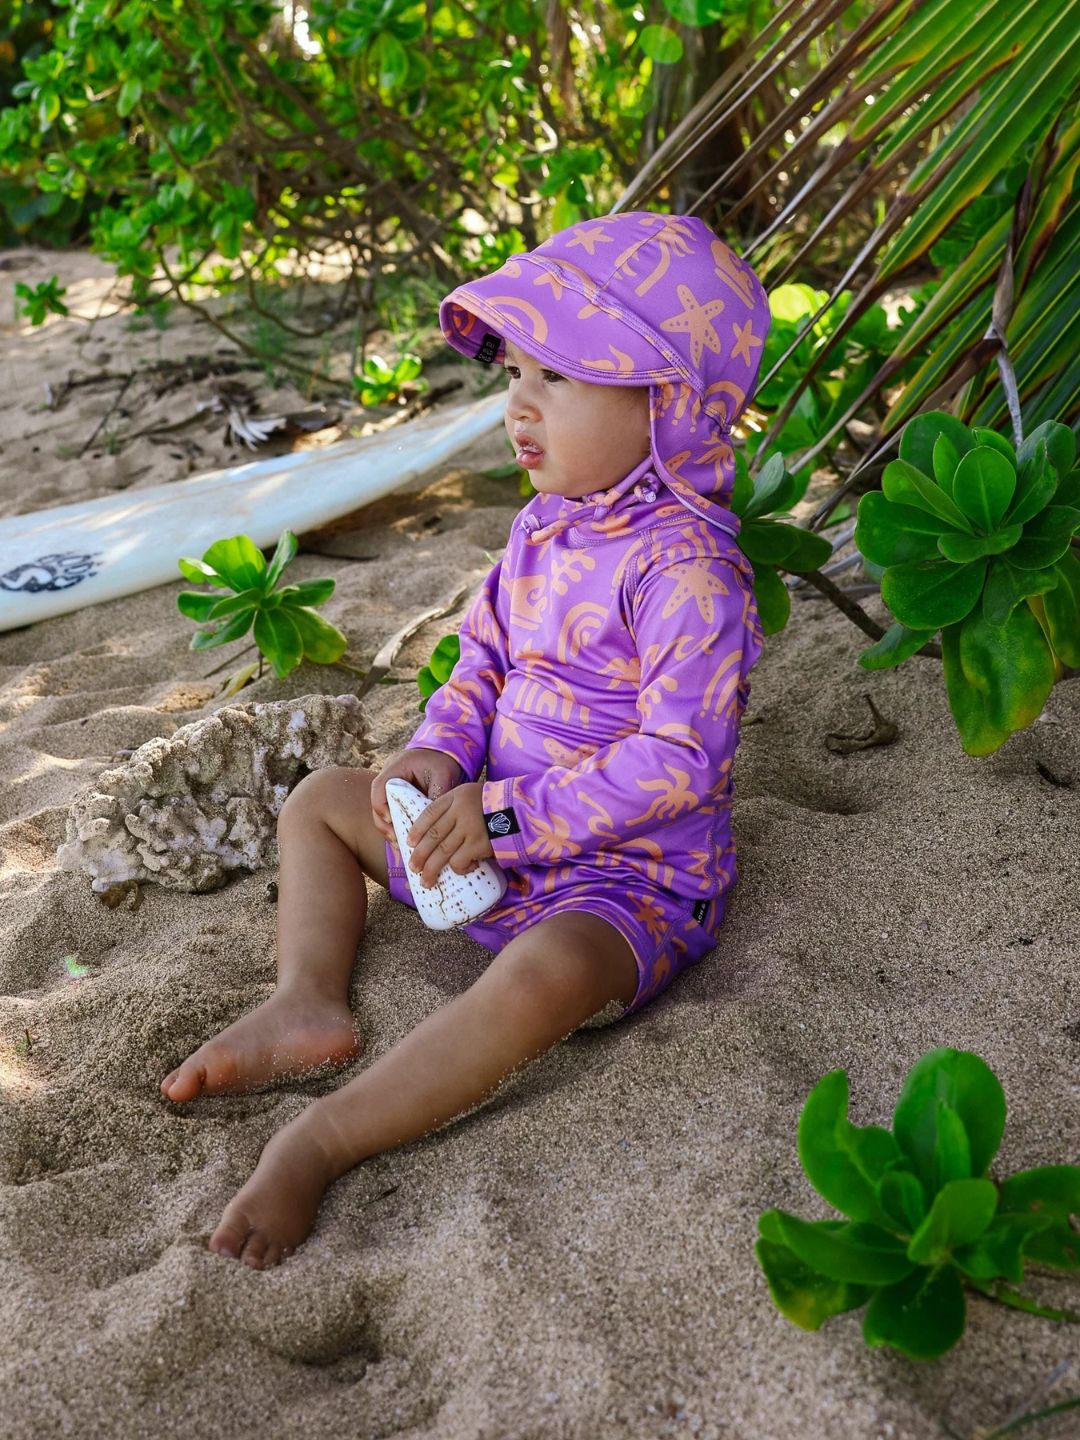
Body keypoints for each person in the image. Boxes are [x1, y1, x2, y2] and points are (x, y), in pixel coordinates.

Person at [160, 210, 772, 1268]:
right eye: (516, 371)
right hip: (476, 832)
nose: (520, 404)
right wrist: (441, 749)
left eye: (562, 376)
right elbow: (482, 659)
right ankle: (306, 999)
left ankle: (324, 1138)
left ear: (668, 405)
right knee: (318, 803)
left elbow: (683, 761)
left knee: (542, 978)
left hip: (622, 881)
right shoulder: (542, 526)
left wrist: (504, 815)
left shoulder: (688, 575)